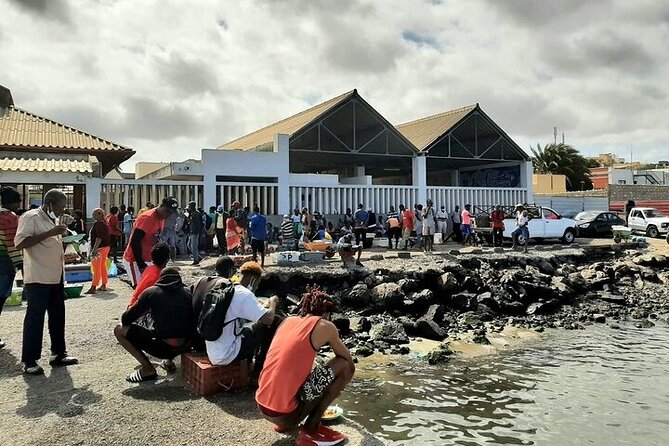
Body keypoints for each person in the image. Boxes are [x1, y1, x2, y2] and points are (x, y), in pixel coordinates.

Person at [255, 287, 355, 445]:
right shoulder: (325, 326)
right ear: (326, 314)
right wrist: (333, 388)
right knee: (343, 366)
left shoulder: (287, 321)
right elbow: (348, 363)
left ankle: (286, 423)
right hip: (286, 415)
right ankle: (311, 428)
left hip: (262, 406)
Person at [15, 188, 78, 375]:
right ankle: (29, 360)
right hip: (38, 276)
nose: (62, 210)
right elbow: (20, 243)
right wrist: (50, 233)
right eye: (60, 206)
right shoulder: (31, 217)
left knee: (58, 315)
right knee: (35, 318)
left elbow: (50, 243)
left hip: (55, 275)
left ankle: (58, 353)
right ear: (49, 203)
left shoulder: (54, 219)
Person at [114, 267, 193, 382]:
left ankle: (147, 368)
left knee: (119, 330)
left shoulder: (151, 292)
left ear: (161, 279)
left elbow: (126, 319)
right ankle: (169, 361)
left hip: (161, 348)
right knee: (175, 323)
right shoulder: (189, 292)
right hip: (186, 345)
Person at [205, 261, 280, 378]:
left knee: (249, 326)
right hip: (227, 353)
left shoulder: (230, 288)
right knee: (270, 323)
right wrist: (273, 302)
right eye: (257, 283)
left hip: (214, 350)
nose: (256, 287)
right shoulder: (244, 294)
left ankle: (249, 364)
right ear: (253, 280)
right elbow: (268, 319)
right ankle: (258, 371)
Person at [123, 197, 178, 288]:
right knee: (140, 289)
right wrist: (141, 264)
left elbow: (155, 238)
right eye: (167, 211)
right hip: (134, 260)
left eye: (171, 212)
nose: (168, 214)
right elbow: (134, 241)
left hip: (148, 259)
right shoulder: (147, 218)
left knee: (151, 288)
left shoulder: (162, 218)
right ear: (161, 206)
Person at [0, 186, 23, 349]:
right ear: (14, 202)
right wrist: (22, 265)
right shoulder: (10, 218)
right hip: (4, 266)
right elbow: (12, 245)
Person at [128, 242, 171, 308]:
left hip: (132, 307)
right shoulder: (160, 276)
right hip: (140, 312)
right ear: (167, 259)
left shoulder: (149, 269)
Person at [85, 208, 111, 295]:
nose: (93, 216)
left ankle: (94, 286)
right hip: (106, 247)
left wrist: (94, 249)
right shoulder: (104, 222)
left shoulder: (98, 223)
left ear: (100, 215)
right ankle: (103, 284)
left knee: (96, 267)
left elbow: (98, 237)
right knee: (103, 266)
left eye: (95, 214)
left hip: (100, 248)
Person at [185, 201, 202, 265]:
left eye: (189, 206)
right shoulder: (192, 213)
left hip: (195, 232)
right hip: (191, 231)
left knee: (193, 246)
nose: (188, 208)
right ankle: (198, 257)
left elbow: (198, 223)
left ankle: (196, 260)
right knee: (189, 245)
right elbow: (190, 222)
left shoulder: (196, 213)